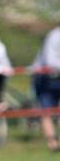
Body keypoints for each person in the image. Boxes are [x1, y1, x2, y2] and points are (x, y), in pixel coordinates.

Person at [30, 23, 60, 151]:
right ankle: (52, 144)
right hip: (45, 78)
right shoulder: (54, 36)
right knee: (46, 111)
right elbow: (50, 61)